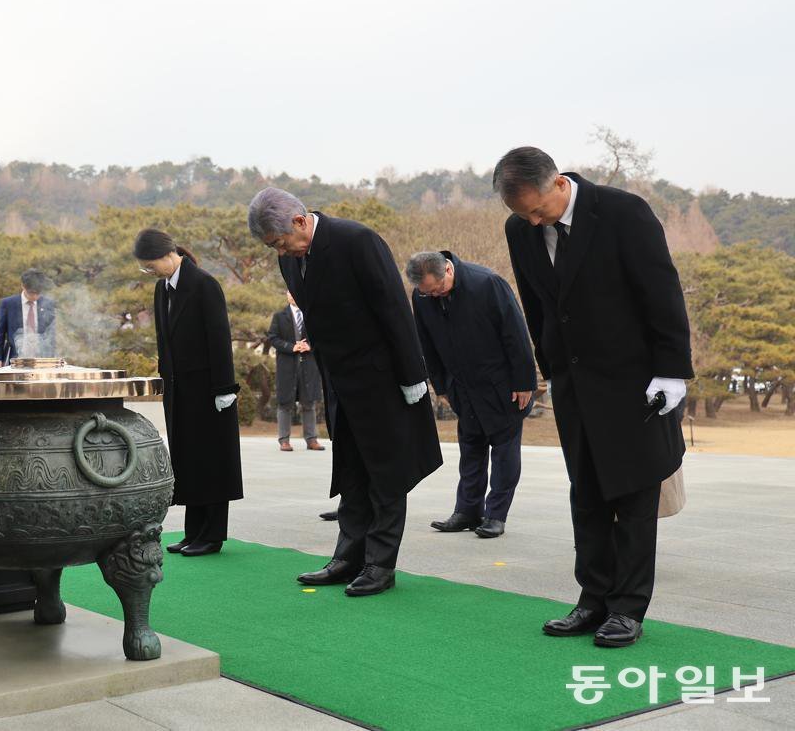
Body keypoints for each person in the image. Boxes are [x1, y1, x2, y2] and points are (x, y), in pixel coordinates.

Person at [497, 146, 692, 648]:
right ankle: (593, 598)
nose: (535, 221)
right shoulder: (520, 229)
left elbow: (661, 289)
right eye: (524, 215)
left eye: (539, 210)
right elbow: (536, 303)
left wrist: (671, 371)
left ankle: (627, 608)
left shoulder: (623, 212)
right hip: (573, 382)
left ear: (559, 183)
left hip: (634, 382)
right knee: (585, 491)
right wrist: (549, 368)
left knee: (632, 492)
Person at [248, 187, 443, 596]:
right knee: (351, 471)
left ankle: (379, 564)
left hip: (381, 377)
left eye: (280, 241)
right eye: (273, 246)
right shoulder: (290, 257)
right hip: (339, 381)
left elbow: (393, 308)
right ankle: (347, 556)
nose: (280, 250)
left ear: (300, 221)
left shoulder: (357, 240)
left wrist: (412, 377)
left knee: (385, 473)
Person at [407, 250, 536, 539]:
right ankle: (467, 510)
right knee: (471, 449)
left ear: (448, 271)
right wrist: (441, 386)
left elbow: (516, 333)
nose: (434, 296)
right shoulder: (423, 297)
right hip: (461, 387)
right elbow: (426, 343)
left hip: (502, 386)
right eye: (428, 293)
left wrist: (524, 381)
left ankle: (495, 515)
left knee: (504, 451)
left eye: (437, 289)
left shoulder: (487, 284)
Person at [134, 229, 242, 557]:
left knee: (211, 460)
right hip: (179, 390)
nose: (149, 271)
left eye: (150, 265)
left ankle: (212, 535)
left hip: (208, 389)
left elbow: (219, 338)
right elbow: (163, 340)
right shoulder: (162, 288)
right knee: (188, 460)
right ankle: (193, 530)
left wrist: (224, 388)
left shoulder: (204, 284)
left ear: (169, 255)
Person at [267, 292, 325, 451]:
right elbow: (272, 338)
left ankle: (311, 439)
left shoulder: (311, 315)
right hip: (287, 366)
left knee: (309, 403)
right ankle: (284, 440)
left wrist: (310, 346)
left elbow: (322, 335)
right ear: (286, 295)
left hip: (308, 365)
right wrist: (291, 347)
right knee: (285, 403)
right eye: (289, 292)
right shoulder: (279, 316)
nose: (293, 295)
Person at [0, 269, 56, 365]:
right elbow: (0, 333)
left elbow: (51, 333)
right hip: (15, 358)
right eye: (31, 292)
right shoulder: (8, 304)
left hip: (41, 357)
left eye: (38, 293)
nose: (35, 296)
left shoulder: (48, 303)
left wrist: (52, 357)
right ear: (23, 286)